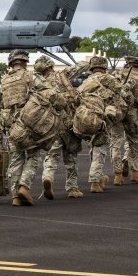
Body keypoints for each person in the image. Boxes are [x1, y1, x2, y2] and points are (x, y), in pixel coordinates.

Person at [0, 50, 64, 206]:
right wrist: (62, 102)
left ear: (11, 63)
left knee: (16, 159)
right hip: (30, 124)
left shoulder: (4, 81)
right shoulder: (32, 77)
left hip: (12, 127)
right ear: (25, 62)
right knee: (33, 156)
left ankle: (15, 197)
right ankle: (24, 186)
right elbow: (50, 93)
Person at [38, 56, 88, 199]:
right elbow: (82, 66)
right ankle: (72, 188)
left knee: (51, 156)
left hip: (49, 124)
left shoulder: (38, 82)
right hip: (67, 122)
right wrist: (89, 62)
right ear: (51, 66)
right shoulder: (62, 75)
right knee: (71, 156)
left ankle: (47, 178)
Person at [76, 56, 126, 193]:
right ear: (105, 67)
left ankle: (98, 176)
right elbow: (123, 93)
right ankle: (95, 181)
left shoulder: (86, 82)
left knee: (93, 147)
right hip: (102, 119)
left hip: (86, 118)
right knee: (100, 149)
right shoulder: (109, 79)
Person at [110, 54, 138, 185]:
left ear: (128, 63)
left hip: (117, 110)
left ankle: (117, 175)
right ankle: (135, 172)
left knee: (115, 142)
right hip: (132, 112)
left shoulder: (117, 74)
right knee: (134, 141)